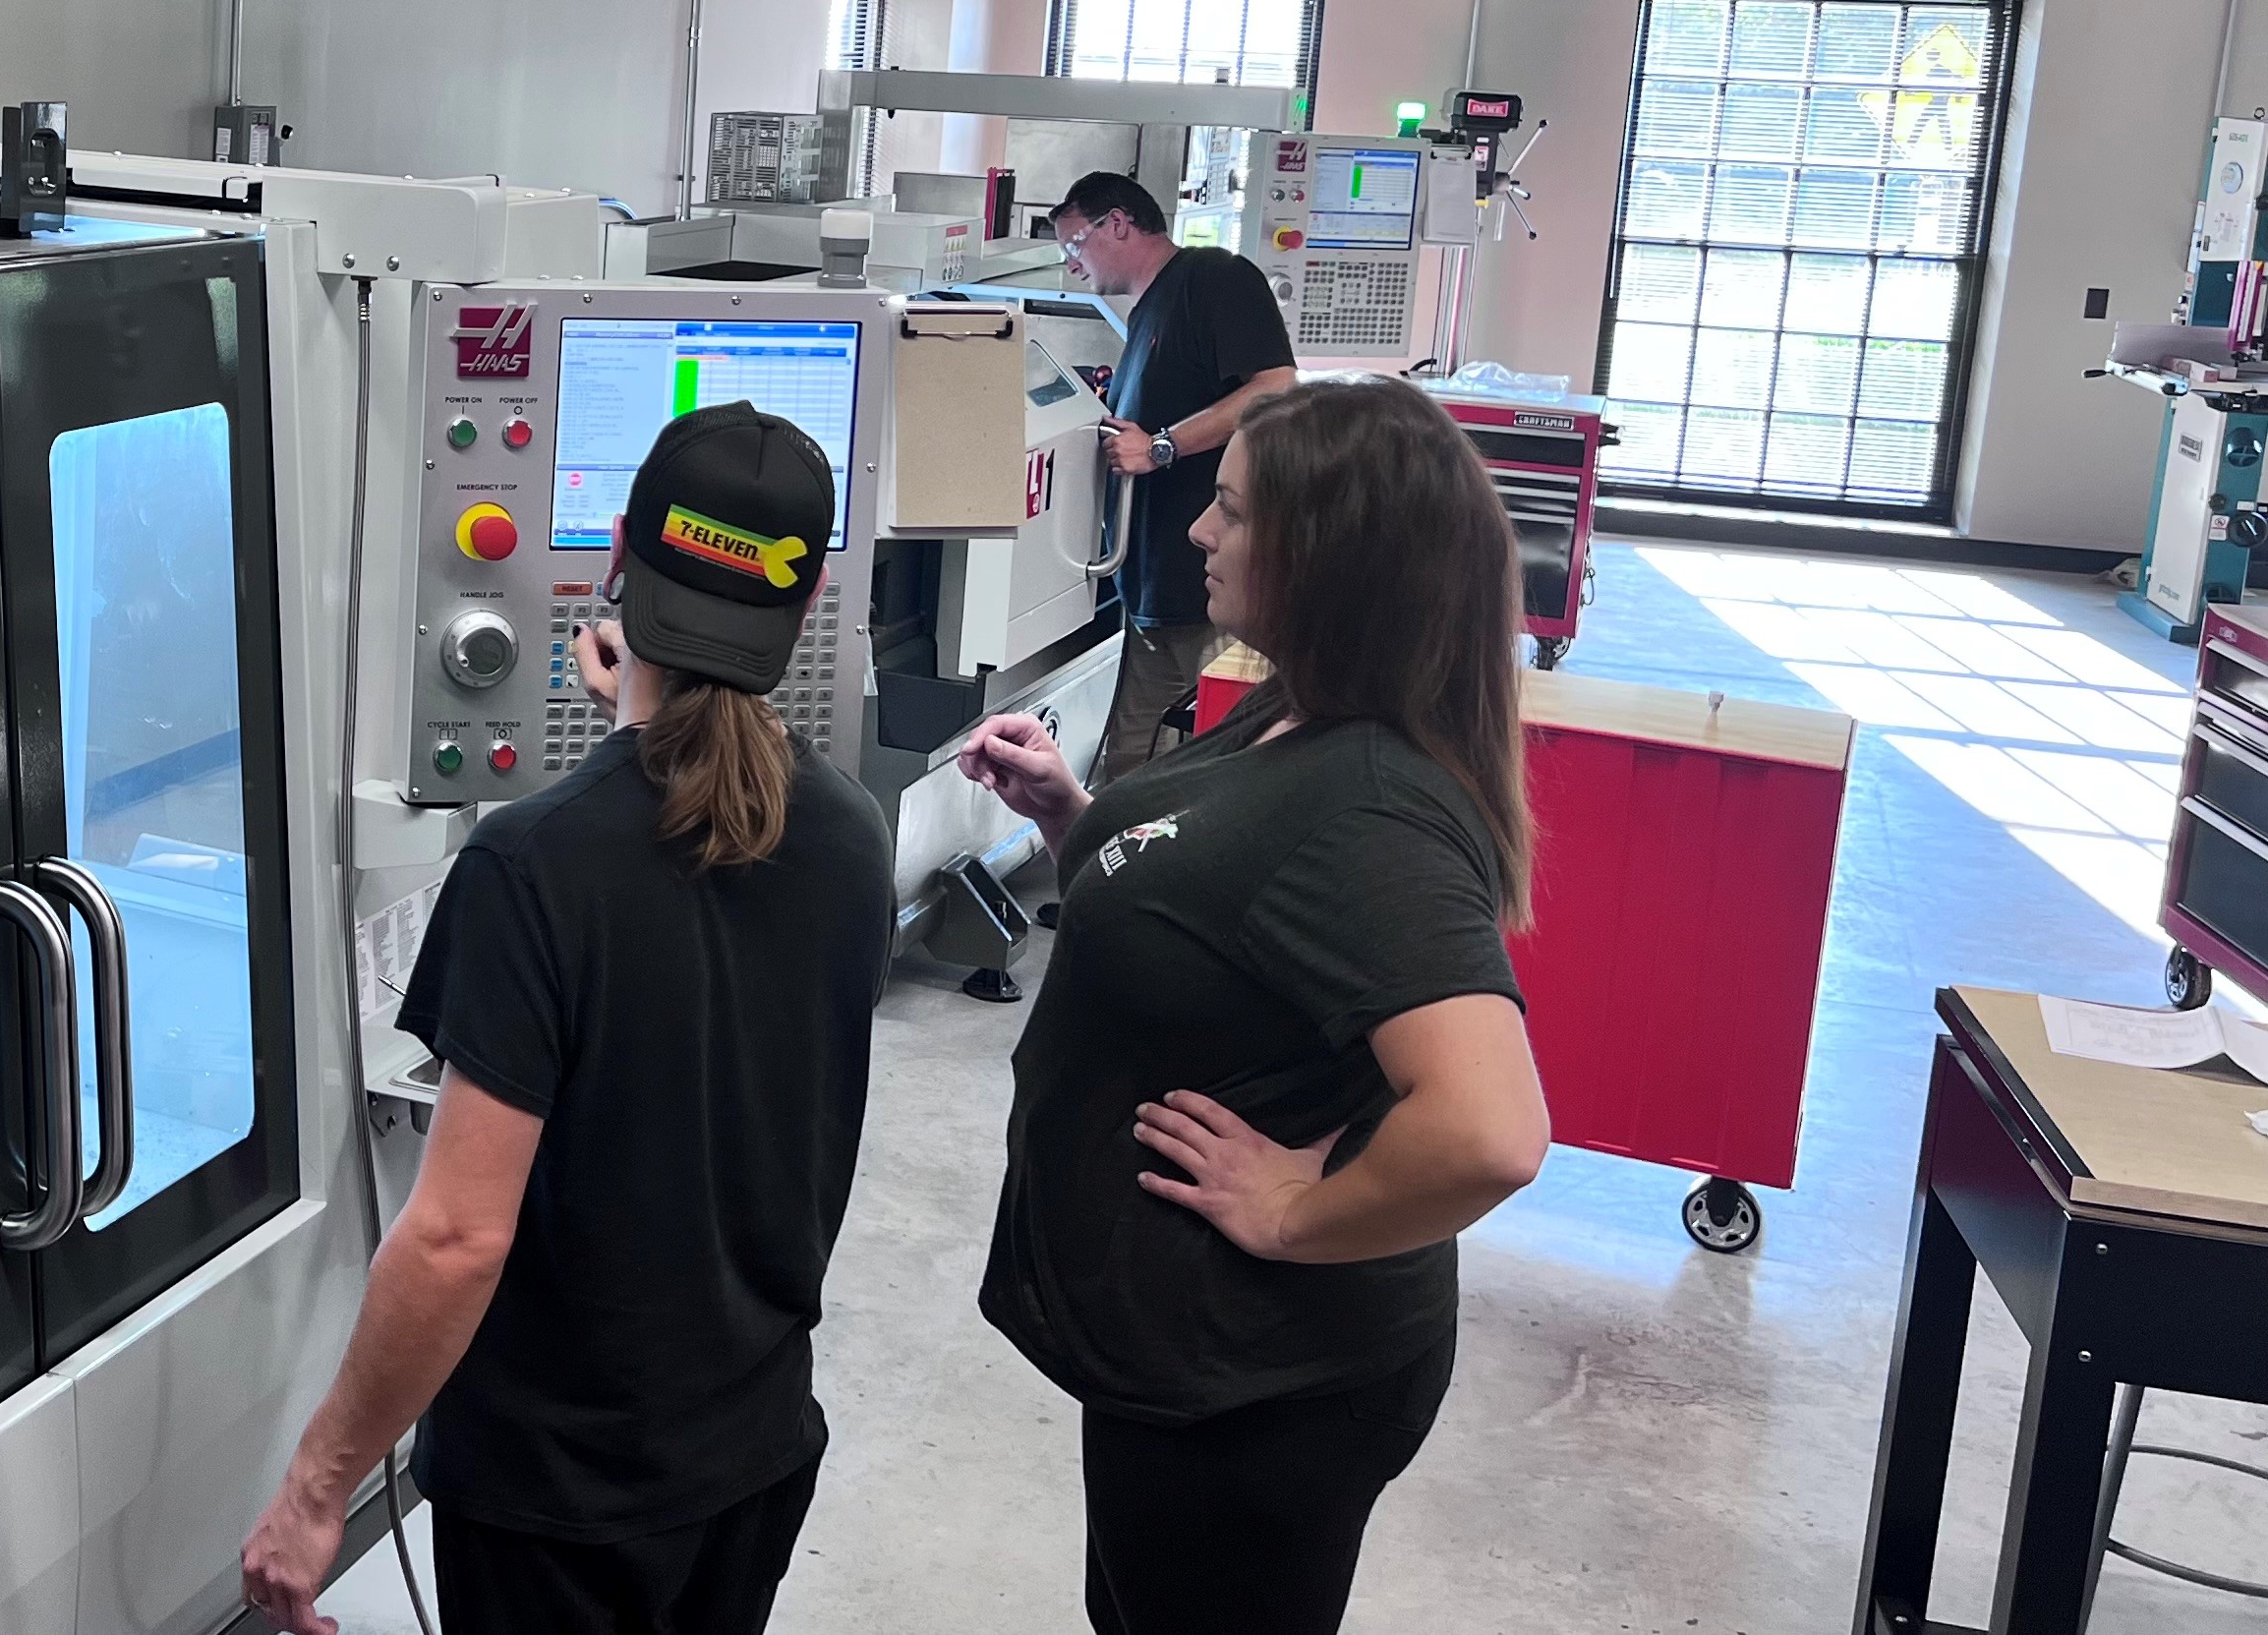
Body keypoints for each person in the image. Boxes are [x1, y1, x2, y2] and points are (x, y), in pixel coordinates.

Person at [238, 403, 894, 1635]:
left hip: (562, 1505)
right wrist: (626, 741)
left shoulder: (531, 868)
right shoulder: (853, 836)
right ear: (801, 614)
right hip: (749, 1458)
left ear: (616, 564)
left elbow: (454, 1241)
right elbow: (699, 901)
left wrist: (318, 1489)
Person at [951, 376, 1551, 1635]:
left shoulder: (1377, 804)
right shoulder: (1301, 711)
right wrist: (1077, 821)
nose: (1195, 534)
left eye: (1227, 511)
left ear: (1321, 558)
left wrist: (1294, 1212)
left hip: (1263, 1382)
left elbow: (1492, 1130)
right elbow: (1225, 919)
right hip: (1183, 1367)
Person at [1048, 171, 1298, 783]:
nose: (1072, 265)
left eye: (1075, 245)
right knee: (1131, 764)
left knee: (1179, 767)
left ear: (1118, 223)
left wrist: (1160, 446)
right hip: (1151, 587)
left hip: (1202, 588)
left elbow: (1276, 388)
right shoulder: (1147, 312)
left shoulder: (1213, 278)